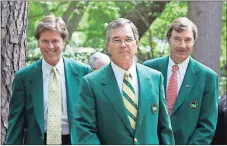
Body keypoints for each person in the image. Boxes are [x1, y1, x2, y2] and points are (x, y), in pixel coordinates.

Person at [75, 18, 175, 144]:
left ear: (136, 43)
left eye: (128, 39)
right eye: (117, 40)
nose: (123, 44)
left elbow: (164, 129)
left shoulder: (155, 78)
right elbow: (85, 130)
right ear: (108, 46)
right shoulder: (91, 83)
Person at [6, 15, 92, 145]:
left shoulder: (83, 72)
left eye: (55, 41)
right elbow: (16, 123)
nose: (50, 46)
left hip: (74, 141)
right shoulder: (23, 77)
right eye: (44, 41)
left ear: (63, 41)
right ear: (38, 42)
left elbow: (91, 118)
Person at [143, 17, 219, 144]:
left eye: (188, 40)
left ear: (194, 41)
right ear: (169, 40)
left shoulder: (207, 77)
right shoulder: (148, 69)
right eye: (177, 39)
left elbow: (207, 125)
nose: (182, 45)